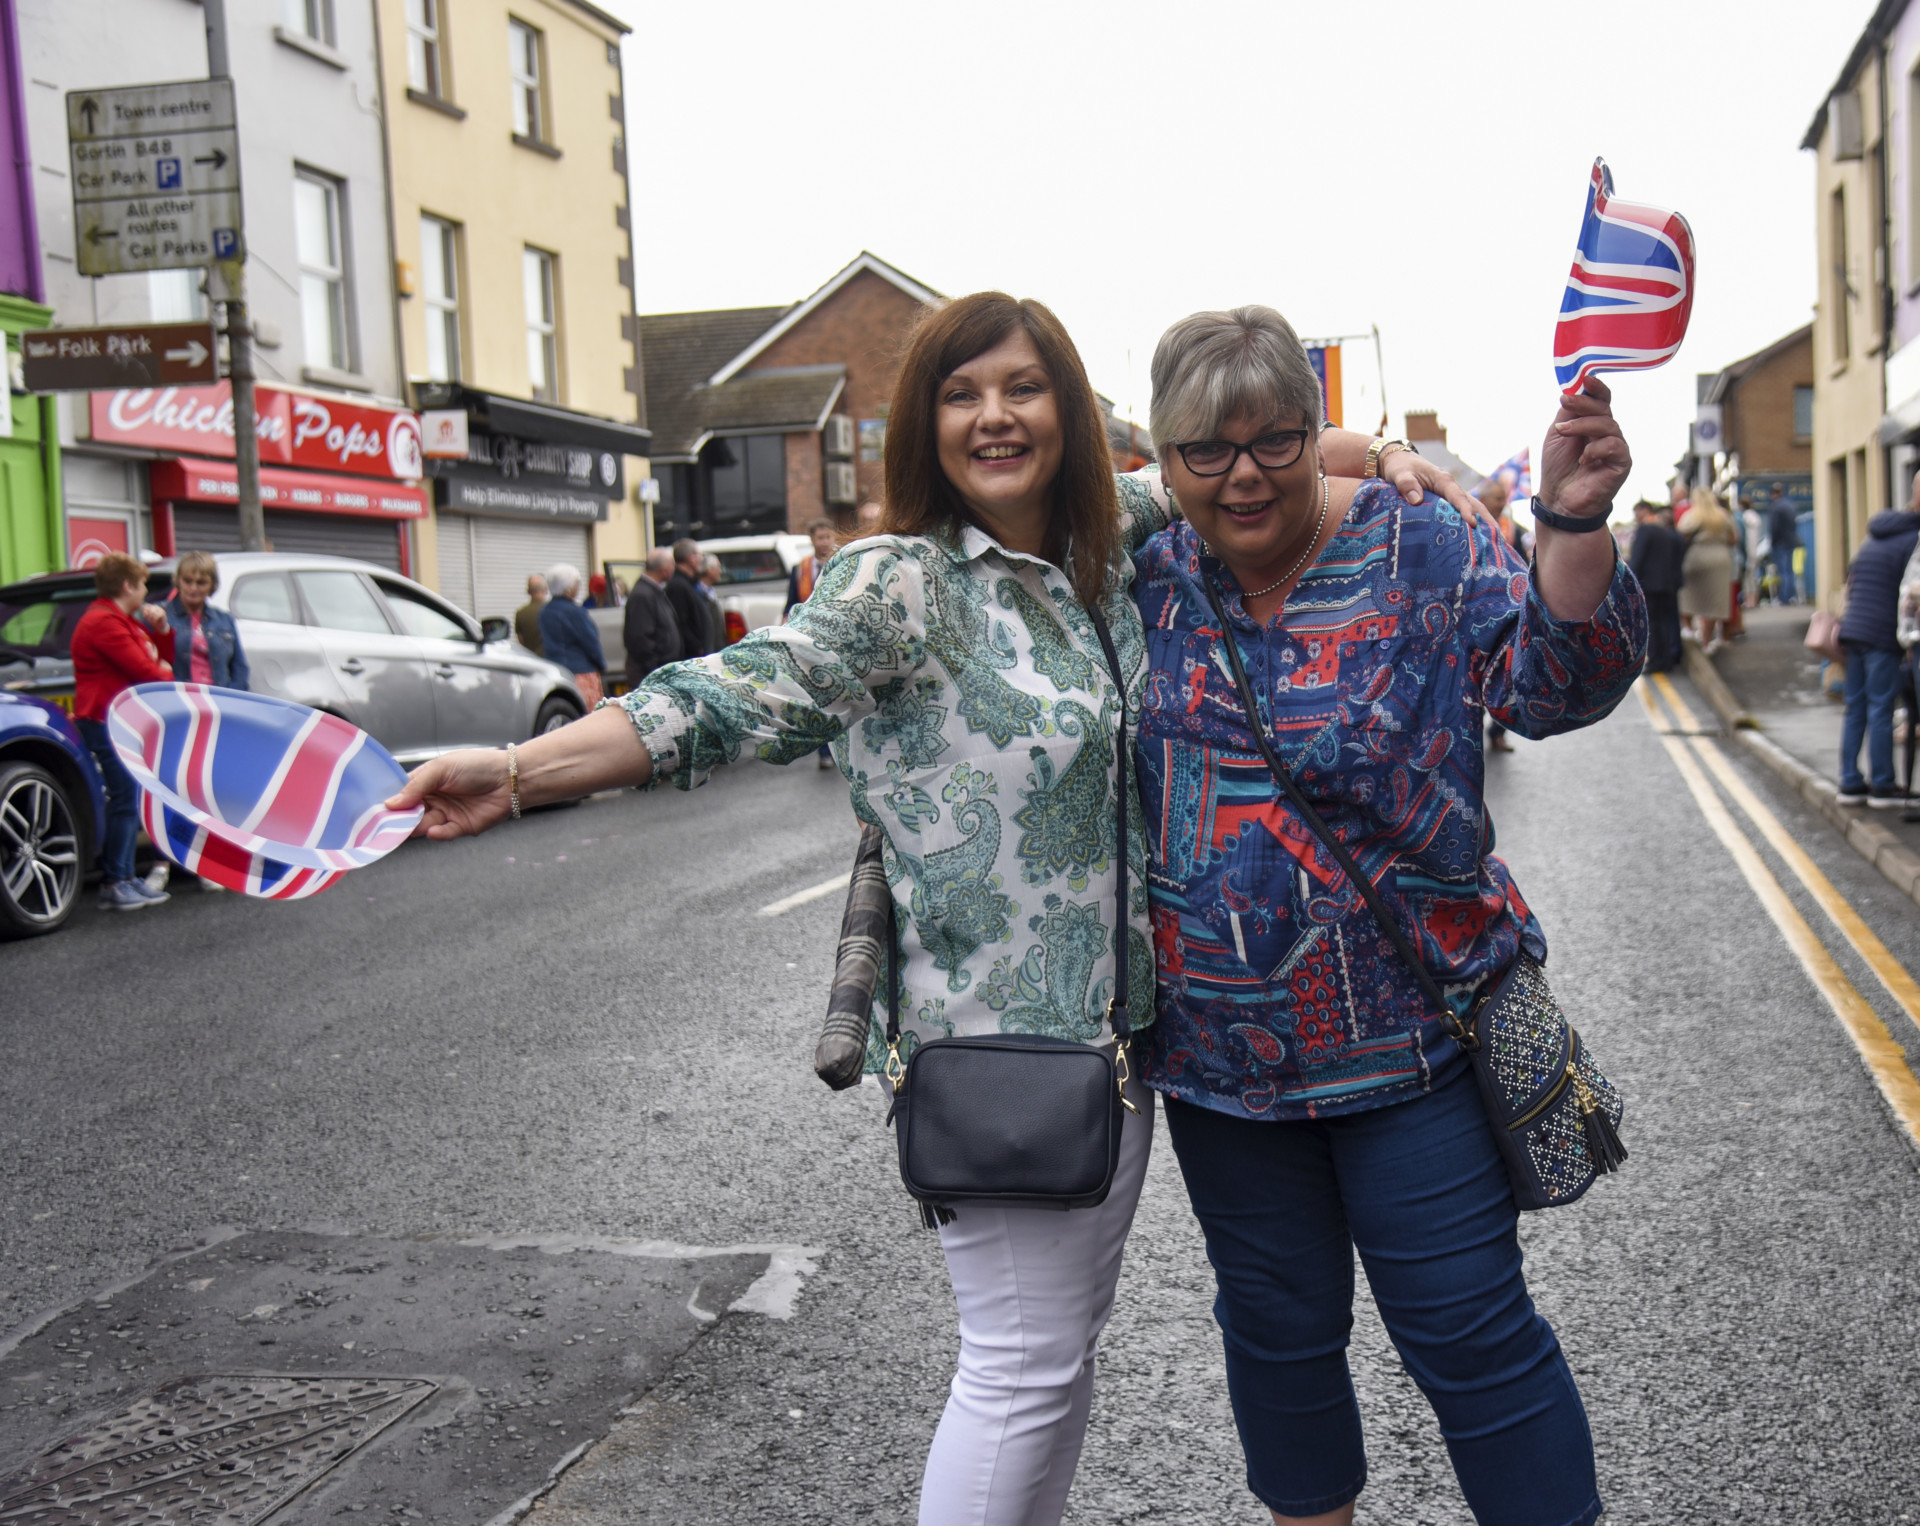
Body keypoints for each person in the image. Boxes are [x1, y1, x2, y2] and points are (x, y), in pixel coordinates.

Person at [387, 291, 1484, 1526]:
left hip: (1115, 1056)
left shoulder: (1108, 539)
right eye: (962, 394)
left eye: (1020, 387)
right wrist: (521, 768)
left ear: (1067, 411)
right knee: (1019, 1367)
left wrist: (1392, 457)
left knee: (1054, 1367)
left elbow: (1263, 455)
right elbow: (734, 691)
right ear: (926, 425)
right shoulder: (898, 585)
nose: (994, 415)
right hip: (997, 1055)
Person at [1132, 306, 1643, 1526]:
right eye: (1209, 449)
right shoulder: (1142, 572)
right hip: (1224, 1064)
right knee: (1275, 1332)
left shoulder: (1421, 540)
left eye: (1276, 440)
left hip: (1413, 1045)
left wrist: (1570, 518)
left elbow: (1553, 683)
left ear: (1315, 437)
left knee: (1470, 1329)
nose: (1244, 472)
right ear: (1167, 459)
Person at [70, 551, 175, 912]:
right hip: (102, 718)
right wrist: (161, 666)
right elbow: (147, 670)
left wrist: (161, 635)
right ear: (128, 585)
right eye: (143, 583)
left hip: (113, 717)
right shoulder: (105, 623)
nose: (145, 591)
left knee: (127, 797)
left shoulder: (117, 619)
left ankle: (125, 877)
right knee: (125, 797)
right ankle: (116, 881)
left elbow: (151, 661)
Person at [1836, 478, 1920, 807]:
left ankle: (1849, 781)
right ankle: (1883, 785)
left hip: (1854, 627)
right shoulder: (1914, 539)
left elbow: (1851, 576)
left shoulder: (1876, 534)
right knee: (1881, 707)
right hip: (1882, 632)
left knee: (1856, 706)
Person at [784, 519, 842, 769]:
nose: (824, 542)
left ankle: (843, 749)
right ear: (812, 540)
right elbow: (790, 604)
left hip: (839, 642)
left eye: (828, 537)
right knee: (818, 698)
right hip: (810, 642)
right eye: (820, 538)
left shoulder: (844, 563)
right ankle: (824, 750)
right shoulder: (801, 570)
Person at [164, 550, 250, 690]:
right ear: (178, 580)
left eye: (201, 583)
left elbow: (240, 667)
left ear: (212, 585)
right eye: (188, 581)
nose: (193, 588)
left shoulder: (225, 619)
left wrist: (231, 697)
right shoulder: (161, 616)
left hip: (220, 700)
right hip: (178, 700)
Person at [1475, 478, 1518, 753]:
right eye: (1499, 498)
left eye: (1504, 498)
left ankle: (1498, 733)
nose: (1504, 503)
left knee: (1507, 681)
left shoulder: (1509, 528)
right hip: (1478, 619)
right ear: (1485, 500)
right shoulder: (1468, 522)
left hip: (1508, 618)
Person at [537, 563, 606, 709]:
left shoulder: (545, 612)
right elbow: (590, 642)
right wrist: (601, 664)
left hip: (557, 672)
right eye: (577, 583)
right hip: (582, 672)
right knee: (588, 718)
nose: (579, 587)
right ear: (568, 588)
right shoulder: (575, 612)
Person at [1677, 487, 1738, 652]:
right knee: (1714, 600)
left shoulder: (1691, 515)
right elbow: (1733, 539)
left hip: (1697, 556)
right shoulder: (1723, 515)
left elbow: (1680, 536)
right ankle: (1705, 642)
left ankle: (1689, 630)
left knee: (1688, 595)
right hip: (1720, 557)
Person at [1629, 499, 1685, 671]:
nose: (1636, 516)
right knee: (1664, 623)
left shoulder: (1645, 530)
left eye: (1637, 511)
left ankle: (1655, 660)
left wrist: (1629, 582)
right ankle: (1666, 659)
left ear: (1645, 510)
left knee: (1652, 624)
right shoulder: (1664, 531)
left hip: (1651, 585)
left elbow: (1637, 559)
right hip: (1667, 583)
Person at [622, 548, 683, 687]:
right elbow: (640, 637)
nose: (674, 569)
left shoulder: (655, 591)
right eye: (672, 565)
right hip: (650, 674)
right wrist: (654, 667)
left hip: (661, 669)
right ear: (664, 569)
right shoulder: (642, 595)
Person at [665, 539, 711, 659]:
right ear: (692, 558)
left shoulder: (690, 584)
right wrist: (697, 647)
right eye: (700, 556)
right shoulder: (678, 586)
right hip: (691, 657)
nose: (702, 560)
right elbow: (680, 622)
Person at [1768, 482, 1803, 605]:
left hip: (1780, 543)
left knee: (1782, 571)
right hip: (1790, 541)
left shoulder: (1775, 507)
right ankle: (1791, 596)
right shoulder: (1790, 505)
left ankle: (1783, 598)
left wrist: (1772, 543)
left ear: (1773, 494)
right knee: (1789, 570)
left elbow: (1774, 528)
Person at [699, 554, 728, 649]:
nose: (721, 571)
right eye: (718, 567)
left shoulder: (711, 592)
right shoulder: (698, 593)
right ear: (709, 570)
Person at [514, 574, 548, 655]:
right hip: (550, 661)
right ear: (545, 590)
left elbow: (521, 642)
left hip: (531, 660)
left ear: (528, 591)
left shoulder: (521, 614)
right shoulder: (553, 611)